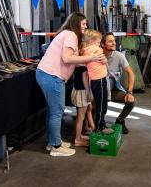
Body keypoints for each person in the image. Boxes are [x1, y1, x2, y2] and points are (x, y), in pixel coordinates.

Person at [35, 12, 104, 156]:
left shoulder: (67, 35)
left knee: (52, 111)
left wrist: (92, 60)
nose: (85, 26)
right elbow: (67, 58)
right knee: (57, 112)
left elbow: (73, 61)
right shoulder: (71, 35)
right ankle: (56, 147)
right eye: (83, 24)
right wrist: (92, 56)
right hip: (52, 76)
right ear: (76, 23)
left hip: (48, 75)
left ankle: (52, 141)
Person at [101, 32, 136, 134]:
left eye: (114, 41)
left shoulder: (119, 56)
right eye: (110, 41)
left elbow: (131, 73)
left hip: (113, 90)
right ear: (103, 44)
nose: (114, 43)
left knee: (132, 101)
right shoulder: (97, 55)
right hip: (101, 92)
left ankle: (120, 121)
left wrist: (129, 92)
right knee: (95, 120)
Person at [82, 29, 113, 134]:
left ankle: (101, 124)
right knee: (102, 104)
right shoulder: (96, 49)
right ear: (91, 41)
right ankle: (100, 126)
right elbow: (104, 60)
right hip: (99, 80)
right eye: (98, 42)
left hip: (96, 80)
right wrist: (104, 60)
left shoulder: (85, 50)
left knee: (101, 103)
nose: (99, 44)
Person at [71, 53, 95, 146]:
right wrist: (89, 93)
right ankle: (77, 139)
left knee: (86, 110)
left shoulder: (79, 63)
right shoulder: (83, 65)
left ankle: (81, 134)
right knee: (81, 117)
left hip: (79, 90)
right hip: (82, 91)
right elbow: (85, 78)